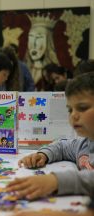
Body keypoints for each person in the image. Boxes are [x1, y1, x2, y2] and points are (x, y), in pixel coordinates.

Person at [6, 72, 94, 200]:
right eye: (70, 110)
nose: (73, 115)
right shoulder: (85, 143)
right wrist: (43, 155)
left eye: (82, 107)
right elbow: (63, 146)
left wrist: (55, 181)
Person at [25, 13, 59, 90]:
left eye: (39, 37)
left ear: (49, 42)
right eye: (31, 37)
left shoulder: (54, 73)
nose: (33, 44)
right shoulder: (23, 70)